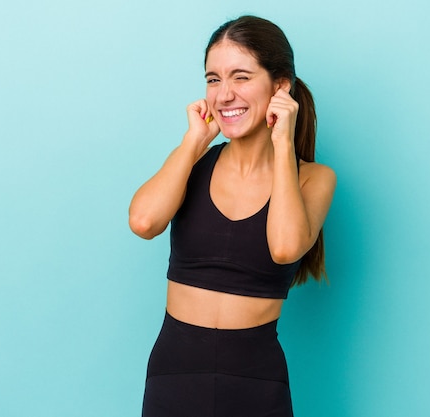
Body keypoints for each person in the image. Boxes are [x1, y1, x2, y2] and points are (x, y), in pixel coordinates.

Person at [129, 15, 336, 417]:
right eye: (213, 79)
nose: (224, 95)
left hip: (256, 381)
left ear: (280, 87)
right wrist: (192, 143)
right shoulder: (193, 162)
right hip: (174, 375)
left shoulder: (313, 178)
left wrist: (281, 142)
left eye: (240, 77)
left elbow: (285, 247)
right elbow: (143, 222)